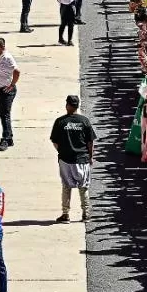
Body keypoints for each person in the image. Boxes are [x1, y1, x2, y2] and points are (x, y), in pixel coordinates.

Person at [50, 95, 95, 224]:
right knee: (84, 187)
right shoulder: (84, 121)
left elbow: (54, 141)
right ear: (77, 105)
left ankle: (65, 214)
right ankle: (86, 214)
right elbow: (90, 142)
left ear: (68, 105)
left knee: (66, 187)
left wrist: (62, 151)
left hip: (65, 160)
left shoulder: (60, 122)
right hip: (82, 159)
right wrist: (90, 157)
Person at [0, 37, 19, 152]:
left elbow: (17, 71)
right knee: (2, 114)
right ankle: (9, 138)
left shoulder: (7, 57)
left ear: (0, 46)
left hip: (6, 91)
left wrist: (12, 85)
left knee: (5, 115)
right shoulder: (0, 57)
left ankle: (6, 139)